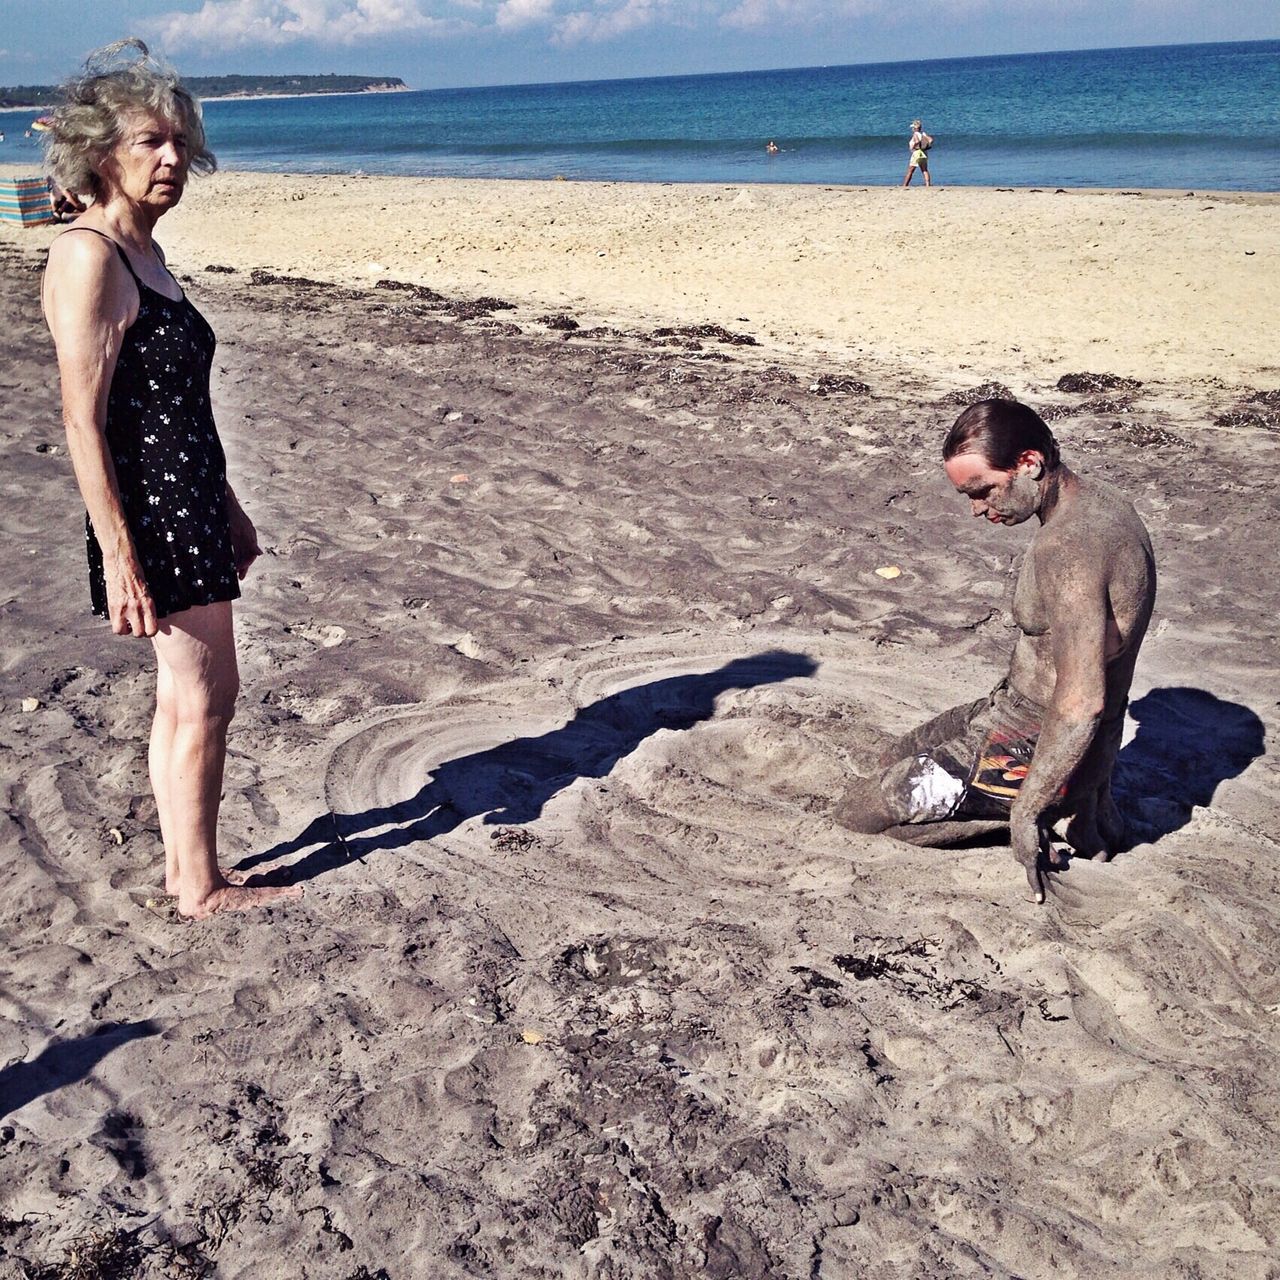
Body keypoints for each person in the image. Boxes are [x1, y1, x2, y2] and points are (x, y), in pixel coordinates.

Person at [41, 38, 301, 919]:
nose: (171, 158)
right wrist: (118, 556)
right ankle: (198, 885)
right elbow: (84, 419)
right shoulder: (90, 257)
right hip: (147, 510)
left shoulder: (145, 255)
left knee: (192, 694)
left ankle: (185, 871)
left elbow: (178, 408)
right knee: (204, 692)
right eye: (151, 142)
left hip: (188, 499)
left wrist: (228, 504)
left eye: (180, 142)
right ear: (100, 153)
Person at [833, 399, 1156, 904]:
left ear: (1029, 463)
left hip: (1031, 742)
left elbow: (1081, 701)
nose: (978, 509)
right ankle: (1073, 807)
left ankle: (1049, 812)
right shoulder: (1102, 504)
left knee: (863, 811)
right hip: (1007, 707)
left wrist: (1028, 811)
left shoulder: (1070, 549)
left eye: (983, 491)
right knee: (892, 758)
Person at [903, 118, 932, 187]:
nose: (912, 129)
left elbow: (917, 141)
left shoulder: (915, 134)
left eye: (912, 127)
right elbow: (931, 140)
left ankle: (905, 185)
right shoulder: (923, 134)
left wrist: (914, 147)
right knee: (924, 170)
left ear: (914, 128)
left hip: (917, 153)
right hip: (924, 153)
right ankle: (928, 185)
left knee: (910, 170)